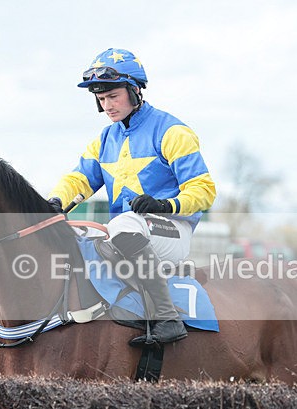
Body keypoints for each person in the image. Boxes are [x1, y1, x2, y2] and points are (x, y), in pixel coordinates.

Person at [48, 47, 216, 344]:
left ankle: (166, 317)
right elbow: (79, 178)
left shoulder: (172, 131)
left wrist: (166, 204)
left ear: (135, 91)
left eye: (113, 96)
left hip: (173, 230)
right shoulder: (104, 139)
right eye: (101, 99)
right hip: (128, 231)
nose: (107, 105)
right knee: (79, 231)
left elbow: (204, 191)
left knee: (124, 225)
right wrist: (55, 201)